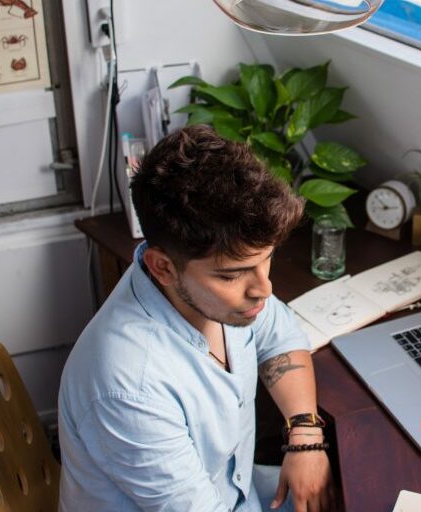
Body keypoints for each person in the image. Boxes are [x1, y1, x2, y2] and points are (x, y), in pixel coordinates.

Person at [57, 125, 334, 511]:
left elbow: (280, 337)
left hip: (237, 489)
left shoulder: (214, 290)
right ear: (163, 267)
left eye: (265, 259)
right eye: (232, 274)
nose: (264, 289)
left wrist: (305, 434)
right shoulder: (129, 386)